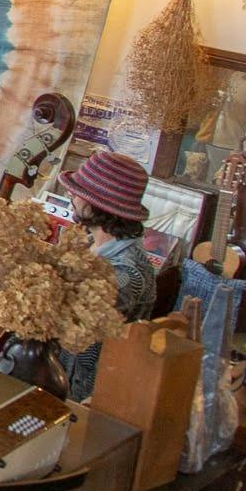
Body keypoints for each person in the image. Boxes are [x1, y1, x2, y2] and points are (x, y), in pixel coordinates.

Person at [56, 151, 158, 401]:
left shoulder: (127, 272)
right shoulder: (89, 244)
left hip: (84, 396)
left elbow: (70, 319)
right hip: (61, 375)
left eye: (77, 192)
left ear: (97, 205)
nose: (71, 195)